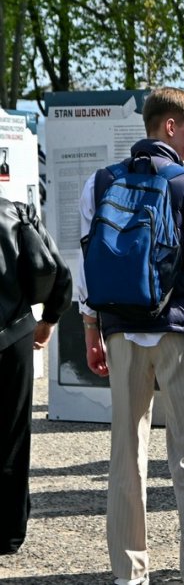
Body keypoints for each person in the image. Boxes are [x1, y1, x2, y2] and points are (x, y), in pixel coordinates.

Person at [77, 87, 184, 585]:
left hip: (119, 332)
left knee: (125, 456)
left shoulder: (100, 183)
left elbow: (86, 269)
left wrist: (92, 330)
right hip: (179, 334)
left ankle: (128, 573)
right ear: (169, 126)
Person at [0, 196, 71, 555]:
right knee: (14, 434)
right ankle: (9, 531)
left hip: (16, 332)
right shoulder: (16, 212)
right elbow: (56, 269)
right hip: (13, 334)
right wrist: (50, 319)